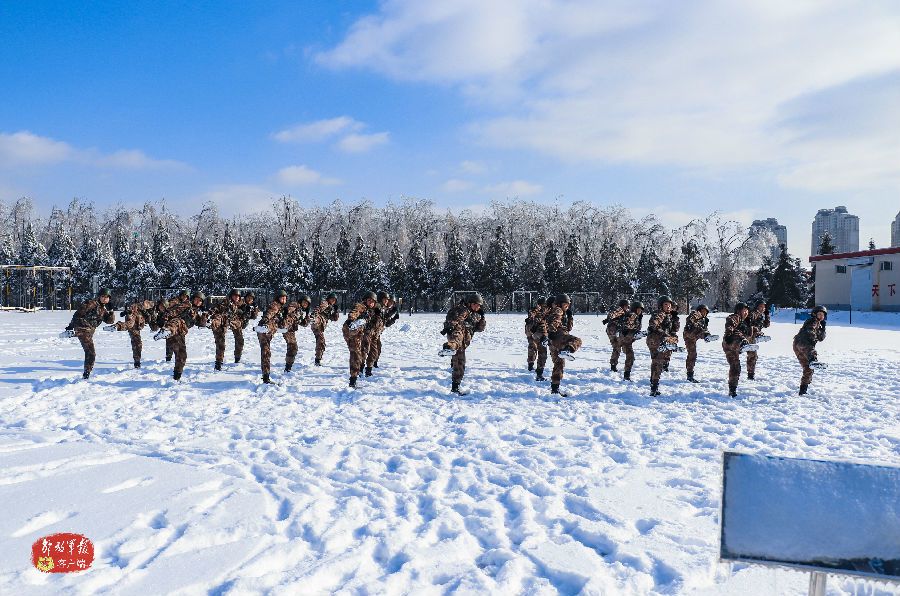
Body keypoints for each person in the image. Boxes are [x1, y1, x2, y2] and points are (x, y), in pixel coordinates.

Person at [439, 293, 487, 395]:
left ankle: (455, 387)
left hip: (465, 340)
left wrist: (482, 317)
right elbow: (453, 319)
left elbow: (480, 329)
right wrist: (451, 326)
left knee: (460, 363)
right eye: (477, 305)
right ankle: (448, 347)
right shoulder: (461, 309)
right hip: (457, 333)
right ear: (470, 303)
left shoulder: (475, 314)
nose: (478, 307)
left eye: (479, 306)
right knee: (457, 342)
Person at [63, 288, 116, 378]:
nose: (105, 299)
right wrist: (70, 326)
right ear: (99, 296)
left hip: (88, 331)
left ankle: (76, 333)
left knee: (90, 352)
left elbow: (110, 321)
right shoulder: (91, 303)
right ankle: (86, 373)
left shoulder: (103, 309)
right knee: (91, 352)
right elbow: (78, 314)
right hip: (82, 326)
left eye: (107, 297)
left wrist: (111, 310)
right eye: (103, 296)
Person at [536, 293, 582, 396]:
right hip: (558, 336)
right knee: (577, 340)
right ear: (560, 304)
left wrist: (570, 317)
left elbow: (569, 328)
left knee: (559, 364)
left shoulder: (562, 312)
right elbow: (554, 322)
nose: (567, 307)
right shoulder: (558, 310)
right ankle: (566, 350)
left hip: (553, 341)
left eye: (568, 305)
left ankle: (555, 389)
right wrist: (550, 332)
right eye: (566, 304)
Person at [155, 292, 207, 381]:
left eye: (200, 301)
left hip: (180, 334)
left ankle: (177, 376)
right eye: (197, 299)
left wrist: (204, 315)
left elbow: (202, 324)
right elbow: (172, 312)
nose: (198, 302)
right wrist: (163, 320)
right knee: (178, 321)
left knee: (182, 355)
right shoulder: (186, 305)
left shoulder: (195, 312)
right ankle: (166, 330)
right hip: (173, 327)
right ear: (193, 299)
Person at [106, 298, 155, 368]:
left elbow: (149, 319)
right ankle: (116, 326)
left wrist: (148, 315)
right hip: (132, 320)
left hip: (138, 325)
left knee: (138, 343)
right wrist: (126, 312)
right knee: (131, 328)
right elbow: (132, 310)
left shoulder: (150, 310)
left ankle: (137, 362)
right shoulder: (139, 306)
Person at [646, 295, 679, 396]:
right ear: (661, 306)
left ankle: (654, 386)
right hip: (655, 340)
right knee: (657, 363)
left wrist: (675, 319)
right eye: (666, 305)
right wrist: (663, 334)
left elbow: (675, 330)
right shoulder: (659, 313)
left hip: (660, 340)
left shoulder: (668, 316)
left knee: (657, 362)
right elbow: (653, 324)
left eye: (669, 305)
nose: (668, 307)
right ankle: (654, 388)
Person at [343, 291, 377, 388]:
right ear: (365, 300)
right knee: (356, 355)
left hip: (357, 334)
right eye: (369, 300)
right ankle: (353, 381)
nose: (371, 303)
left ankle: (353, 380)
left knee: (357, 355)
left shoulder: (371, 312)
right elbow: (355, 311)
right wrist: (351, 319)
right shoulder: (361, 306)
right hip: (350, 329)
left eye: (372, 302)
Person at [793, 305, 827, 395]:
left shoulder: (819, 324)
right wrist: (812, 336)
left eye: (822, 315)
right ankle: (813, 359)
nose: (821, 316)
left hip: (797, 346)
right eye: (819, 314)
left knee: (808, 368)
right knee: (811, 351)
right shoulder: (813, 321)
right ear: (814, 314)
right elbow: (810, 329)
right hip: (802, 343)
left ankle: (803, 390)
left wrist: (823, 328)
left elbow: (821, 338)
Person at [722, 302, 753, 397]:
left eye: (747, 311)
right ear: (738, 311)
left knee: (736, 366)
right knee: (735, 366)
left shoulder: (746, 321)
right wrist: (728, 334)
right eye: (744, 311)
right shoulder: (735, 317)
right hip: (730, 342)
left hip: (737, 345)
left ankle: (732, 390)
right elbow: (730, 324)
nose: (746, 313)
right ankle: (743, 343)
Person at [208, 288, 243, 370]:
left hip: (230, 322)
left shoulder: (238, 303)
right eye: (235, 296)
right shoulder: (226, 302)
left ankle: (237, 359)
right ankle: (218, 363)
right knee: (221, 344)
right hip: (219, 322)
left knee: (240, 339)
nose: (236, 298)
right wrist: (210, 313)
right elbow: (217, 308)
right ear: (231, 296)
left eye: (238, 296)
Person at [683, 304, 716, 383]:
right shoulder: (696, 314)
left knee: (692, 354)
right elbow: (692, 318)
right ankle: (706, 336)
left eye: (706, 312)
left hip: (695, 335)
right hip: (689, 333)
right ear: (700, 310)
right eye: (703, 311)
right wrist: (689, 324)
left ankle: (707, 336)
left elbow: (704, 328)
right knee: (699, 328)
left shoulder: (704, 320)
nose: (704, 313)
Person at [362, 292, 391, 377]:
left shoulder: (382, 308)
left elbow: (385, 322)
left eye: (387, 300)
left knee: (374, 351)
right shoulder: (374, 307)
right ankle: (361, 368)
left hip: (376, 333)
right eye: (385, 299)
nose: (387, 301)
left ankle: (369, 368)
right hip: (367, 332)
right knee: (365, 351)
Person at [310, 292, 340, 366]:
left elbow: (334, 319)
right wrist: (313, 316)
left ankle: (318, 360)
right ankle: (317, 361)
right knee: (321, 342)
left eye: (334, 300)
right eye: (332, 299)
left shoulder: (329, 309)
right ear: (328, 299)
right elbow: (318, 309)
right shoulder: (325, 303)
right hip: (318, 323)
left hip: (320, 327)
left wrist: (336, 311)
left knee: (321, 342)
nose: (333, 301)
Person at [618, 301, 645, 381]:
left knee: (630, 357)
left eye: (641, 310)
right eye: (639, 309)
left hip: (628, 339)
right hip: (625, 338)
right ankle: (626, 376)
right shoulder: (632, 315)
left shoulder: (637, 316)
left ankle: (626, 375)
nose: (640, 311)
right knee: (630, 357)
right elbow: (627, 324)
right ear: (635, 309)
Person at [372, 293, 400, 369]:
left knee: (378, 347)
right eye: (389, 302)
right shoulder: (379, 306)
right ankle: (367, 365)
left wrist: (394, 318)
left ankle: (373, 363)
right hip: (371, 330)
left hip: (377, 332)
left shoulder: (386, 309)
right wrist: (392, 313)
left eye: (392, 303)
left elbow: (386, 323)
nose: (390, 304)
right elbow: (382, 316)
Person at [746, 300, 771, 380]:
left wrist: (767, 315)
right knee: (752, 355)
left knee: (753, 356)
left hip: (752, 337)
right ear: (757, 307)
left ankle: (751, 375)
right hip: (748, 336)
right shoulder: (754, 313)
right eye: (761, 306)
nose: (763, 308)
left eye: (764, 307)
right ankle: (750, 375)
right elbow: (748, 322)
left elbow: (766, 325)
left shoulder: (760, 315)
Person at [604, 299, 631, 372]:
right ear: (623, 306)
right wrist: (609, 318)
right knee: (619, 347)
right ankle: (614, 364)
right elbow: (613, 314)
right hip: (614, 330)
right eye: (626, 306)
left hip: (612, 330)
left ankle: (613, 365)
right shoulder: (620, 309)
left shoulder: (624, 312)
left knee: (616, 348)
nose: (627, 308)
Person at [533, 296, 553, 381]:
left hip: (542, 333)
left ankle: (539, 373)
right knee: (542, 353)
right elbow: (539, 318)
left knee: (542, 353)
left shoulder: (547, 309)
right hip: (542, 334)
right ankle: (539, 374)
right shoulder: (546, 309)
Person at [525, 297, 547, 371]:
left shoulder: (534, 308)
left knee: (532, 346)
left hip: (529, 328)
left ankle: (530, 364)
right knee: (540, 347)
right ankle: (538, 367)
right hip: (535, 329)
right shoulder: (540, 309)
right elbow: (534, 317)